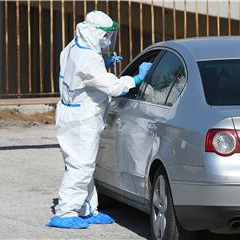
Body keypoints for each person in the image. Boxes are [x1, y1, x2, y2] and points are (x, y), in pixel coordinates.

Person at [46, 10, 152, 229]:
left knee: (84, 165)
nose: (107, 40)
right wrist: (137, 77)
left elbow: (85, 75)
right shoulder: (88, 58)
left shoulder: (74, 46)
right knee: (80, 166)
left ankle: (86, 209)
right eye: (105, 36)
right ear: (94, 33)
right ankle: (65, 212)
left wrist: (104, 62)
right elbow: (113, 87)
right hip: (81, 119)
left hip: (73, 113)